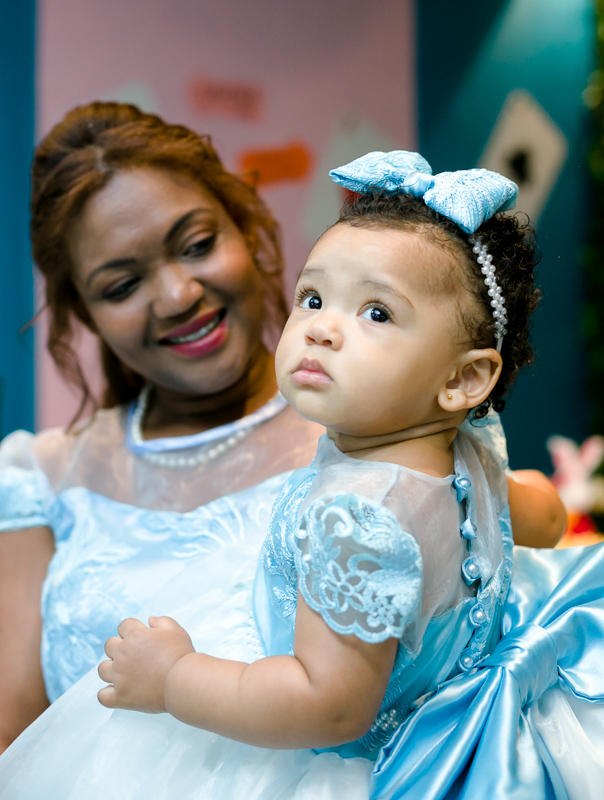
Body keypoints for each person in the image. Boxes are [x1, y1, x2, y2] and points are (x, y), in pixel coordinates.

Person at [1, 151, 598, 800]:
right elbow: (542, 516)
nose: (322, 330)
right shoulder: (470, 450)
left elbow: (330, 705)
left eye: (377, 312)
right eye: (313, 299)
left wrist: (175, 678)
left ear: (463, 379)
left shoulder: (354, 518)